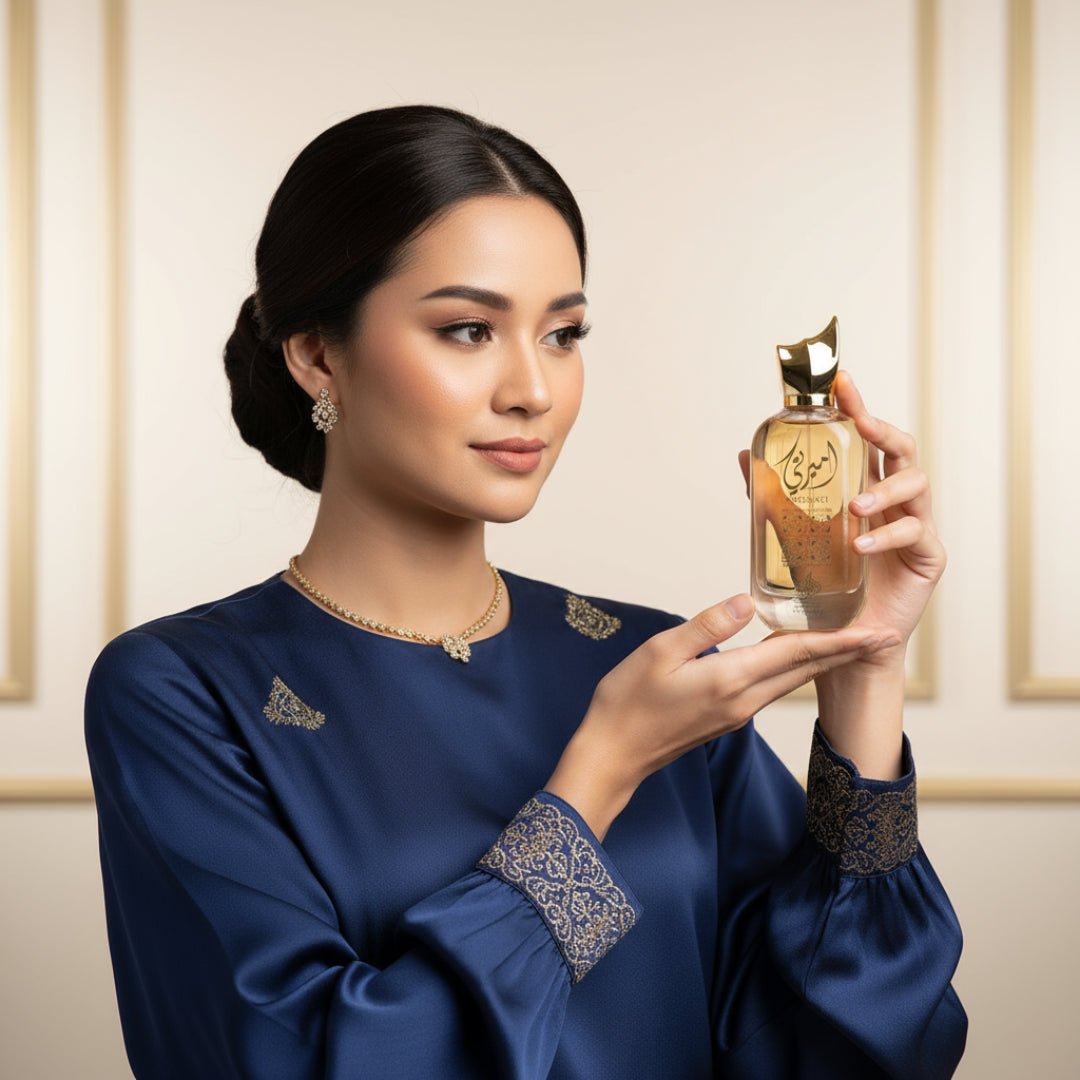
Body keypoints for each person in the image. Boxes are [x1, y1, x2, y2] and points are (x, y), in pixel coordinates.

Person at [84, 104, 967, 1079]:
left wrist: (863, 668)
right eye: (468, 330)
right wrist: (600, 774)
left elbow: (845, 1047)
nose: (533, 390)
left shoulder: (654, 667)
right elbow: (307, 1060)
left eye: (563, 334)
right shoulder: (180, 689)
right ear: (317, 355)